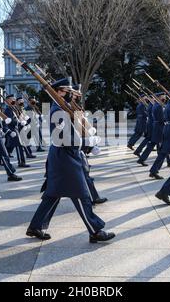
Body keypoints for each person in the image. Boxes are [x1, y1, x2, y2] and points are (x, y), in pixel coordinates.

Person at [27, 78, 115, 243]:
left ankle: (35, 226)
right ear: (59, 91)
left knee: (53, 194)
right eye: (68, 91)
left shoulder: (62, 108)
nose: (71, 94)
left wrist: (86, 143)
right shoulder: (56, 110)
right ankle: (95, 230)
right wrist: (85, 143)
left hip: (66, 156)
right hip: (64, 158)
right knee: (82, 194)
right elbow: (63, 138)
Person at [4, 94, 30, 168]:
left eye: (14, 99)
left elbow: (17, 117)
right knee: (19, 145)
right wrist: (18, 122)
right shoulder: (8, 110)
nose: (14, 100)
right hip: (12, 129)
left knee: (10, 146)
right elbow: (9, 120)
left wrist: (22, 121)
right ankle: (21, 162)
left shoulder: (13, 108)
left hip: (16, 128)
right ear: (8, 100)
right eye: (12, 99)